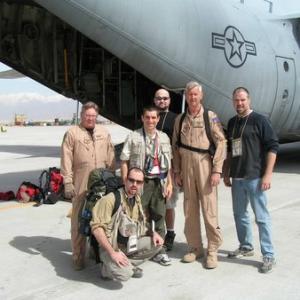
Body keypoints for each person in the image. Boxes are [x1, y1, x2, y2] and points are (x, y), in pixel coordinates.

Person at [223, 87, 279, 273]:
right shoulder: (232, 123)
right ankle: (246, 246)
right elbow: (231, 149)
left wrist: (268, 174)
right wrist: (226, 171)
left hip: (255, 177)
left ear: (249, 100)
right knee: (240, 215)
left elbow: (272, 147)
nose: (239, 103)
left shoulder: (260, 120)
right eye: (236, 100)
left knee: (261, 218)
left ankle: (269, 255)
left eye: (242, 100)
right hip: (237, 176)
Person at [172, 81, 226, 269]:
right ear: (186, 96)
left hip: (205, 166)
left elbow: (221, 143)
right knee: (190, 209)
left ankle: (212, 250)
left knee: (209, 209)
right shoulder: (180, 120)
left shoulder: (210, 117)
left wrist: (217, 169)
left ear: (201, 96)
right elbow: (175, 147)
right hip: (186, 168)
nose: (193, 98)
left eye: (196, 95)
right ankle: (195, 248)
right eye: (190, 95)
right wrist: (177, 171)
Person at [61, 101, 115, 270]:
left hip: (101, 185)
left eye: (93, 116)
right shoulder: (72, 133)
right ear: (82, 115)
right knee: (78, 222)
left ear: (96, 116)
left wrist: (111, 179)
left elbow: (111, 157)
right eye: (87, 115)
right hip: (81, 183)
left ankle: (95, 250)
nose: (90, 118)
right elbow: (66, 159)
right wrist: (67, 182)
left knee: (99, 220)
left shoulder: (104, 132)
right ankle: (78, 256)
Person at [120, 106, 173, 266]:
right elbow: (124, 160)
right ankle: (136, 251)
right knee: (137, 216)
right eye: (147, 117)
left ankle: (159, 251)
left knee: (159, 216)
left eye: (153, 118)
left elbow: (168, 164)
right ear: (142, 118)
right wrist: (126, 182)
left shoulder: (164, 138)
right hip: (140, 183)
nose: (150, 121)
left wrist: (169, 183)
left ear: (158, 119)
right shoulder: (134, 136)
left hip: (159, 182)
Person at [91, 167, 164, 281]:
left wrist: (153, 233)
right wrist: (113, 253)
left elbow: (140, 225)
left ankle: (125, 262)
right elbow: (97, 229)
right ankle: (106, 269)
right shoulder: (110, 199)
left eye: (138, 182)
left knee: (158, 244)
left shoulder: (136, 199)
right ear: (125, 180)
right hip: (110, 248)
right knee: (125, 275)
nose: (134, 184)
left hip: (127, 245)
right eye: (131, 180)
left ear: (142, 184)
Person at [153, 88, 179, 251]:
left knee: (169, 204)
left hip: (168, 169)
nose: (162, 101)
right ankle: (153, 233)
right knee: (152, 204)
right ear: (154, 100)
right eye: (159, 98)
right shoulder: (150, 117)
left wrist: (177, 171)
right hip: (151, 169)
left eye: (165, 98)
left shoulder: (175, 119)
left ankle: (170, 234)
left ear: (169, 100)